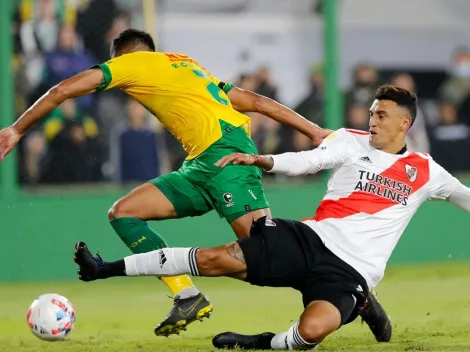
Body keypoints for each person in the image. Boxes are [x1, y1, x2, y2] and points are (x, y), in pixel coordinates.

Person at [73, 85, 470, 350]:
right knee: (217, 259)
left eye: (382, 115)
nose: (372, 121)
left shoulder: (428, 171)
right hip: (310, 240)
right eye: (371, 112)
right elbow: (311, 160)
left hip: (353, 273)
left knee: (312, 331)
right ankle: (104, 269)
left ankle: (260, 342)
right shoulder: (350, 141)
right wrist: (264, 160)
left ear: (405, 123)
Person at [0, 27, 337, 337]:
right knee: (124, 212)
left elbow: (62, 90)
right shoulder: (186, 64)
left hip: (227, 157)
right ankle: (186, 295)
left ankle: (344, 288)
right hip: (200, 165)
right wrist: (314, 131)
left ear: (122, 56)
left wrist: (16, 129)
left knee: (269, 252)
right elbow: (256, 101)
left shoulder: (131, 64)